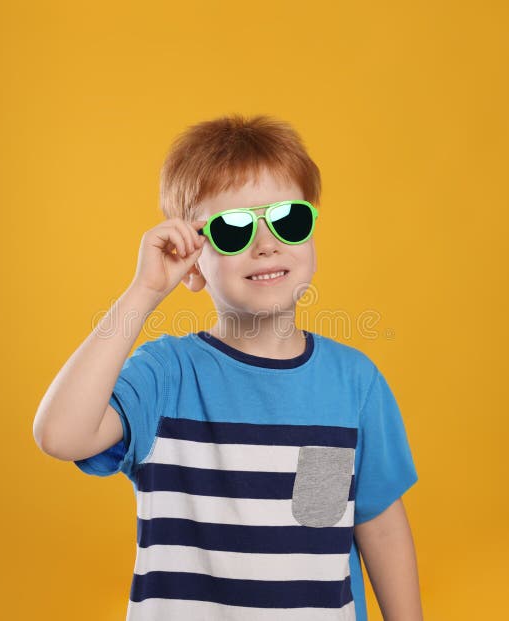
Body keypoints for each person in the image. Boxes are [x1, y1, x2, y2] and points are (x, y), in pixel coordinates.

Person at [33, 114, 422, 620]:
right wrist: (144, 291)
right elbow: (61, 435)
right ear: (192, 263)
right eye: (233, 229)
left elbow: (380, 527)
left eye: (288, 219)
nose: (266, 244)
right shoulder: (165, 376)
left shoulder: (353, 383)